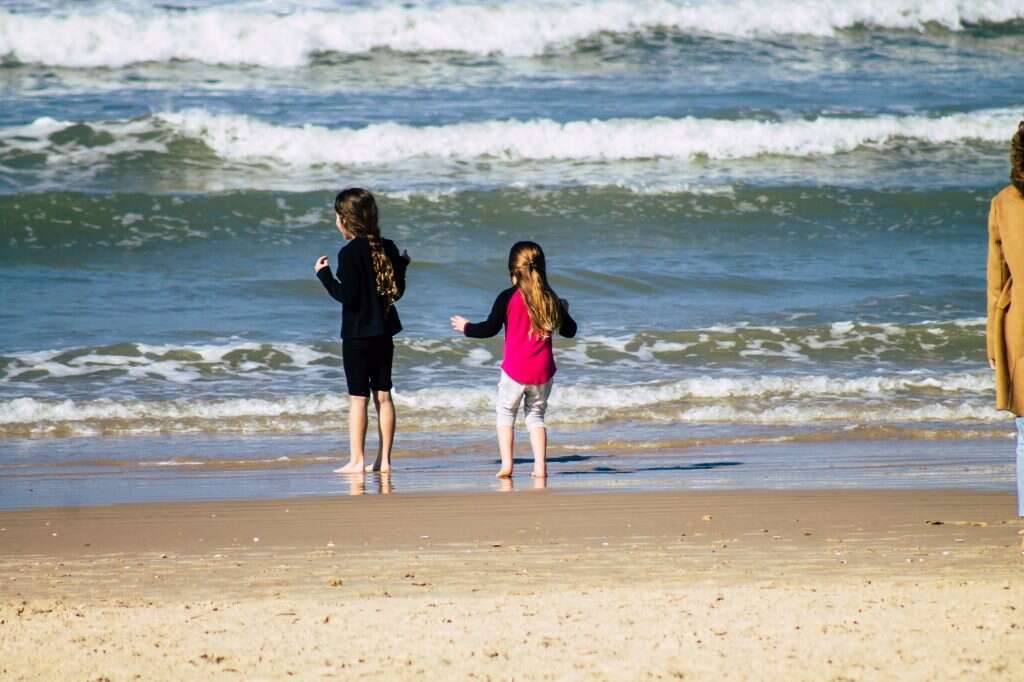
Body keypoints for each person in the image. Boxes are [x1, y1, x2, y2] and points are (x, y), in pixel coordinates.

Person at [451, 241, 577, 479]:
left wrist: (466, 327)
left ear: (512, 269)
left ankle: (507, 465)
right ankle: (540, 466)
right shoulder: (551, 298)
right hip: (543, 373)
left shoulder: (507, 297)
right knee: (536, 417)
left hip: (515, 371)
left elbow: (489, 328)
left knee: (506, 413)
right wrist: (564, 310)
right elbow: (570, 331)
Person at [316, 188, 410, 473]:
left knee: (358, 398)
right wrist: (402, 265)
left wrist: (324, 276)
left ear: (345, 219)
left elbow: (348, 297)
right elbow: (396, 293)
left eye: (337, 216)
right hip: (384, 333)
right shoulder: (387, 247)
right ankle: (384, 460)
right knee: (384, 395)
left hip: (357, 335)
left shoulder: (349, 253)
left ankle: (357, 460)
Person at [986, 120, 1024, 517]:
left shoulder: (1003, 203)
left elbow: (996, 281)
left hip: (1018, 325)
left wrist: (992, 341)